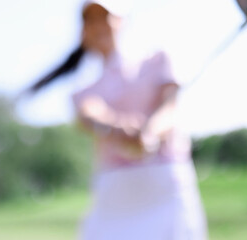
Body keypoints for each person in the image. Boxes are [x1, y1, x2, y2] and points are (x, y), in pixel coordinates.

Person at [29, 1, 207, 239]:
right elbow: (91, 116)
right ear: (83, 33)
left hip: (165, 184)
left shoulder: (158, 60)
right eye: (89, 20)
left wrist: (150, 133)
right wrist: (118, 129)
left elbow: (170, 110)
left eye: (104, 16)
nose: (98, 25)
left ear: (122, 21)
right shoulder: (84, 91)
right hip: (116, 192)